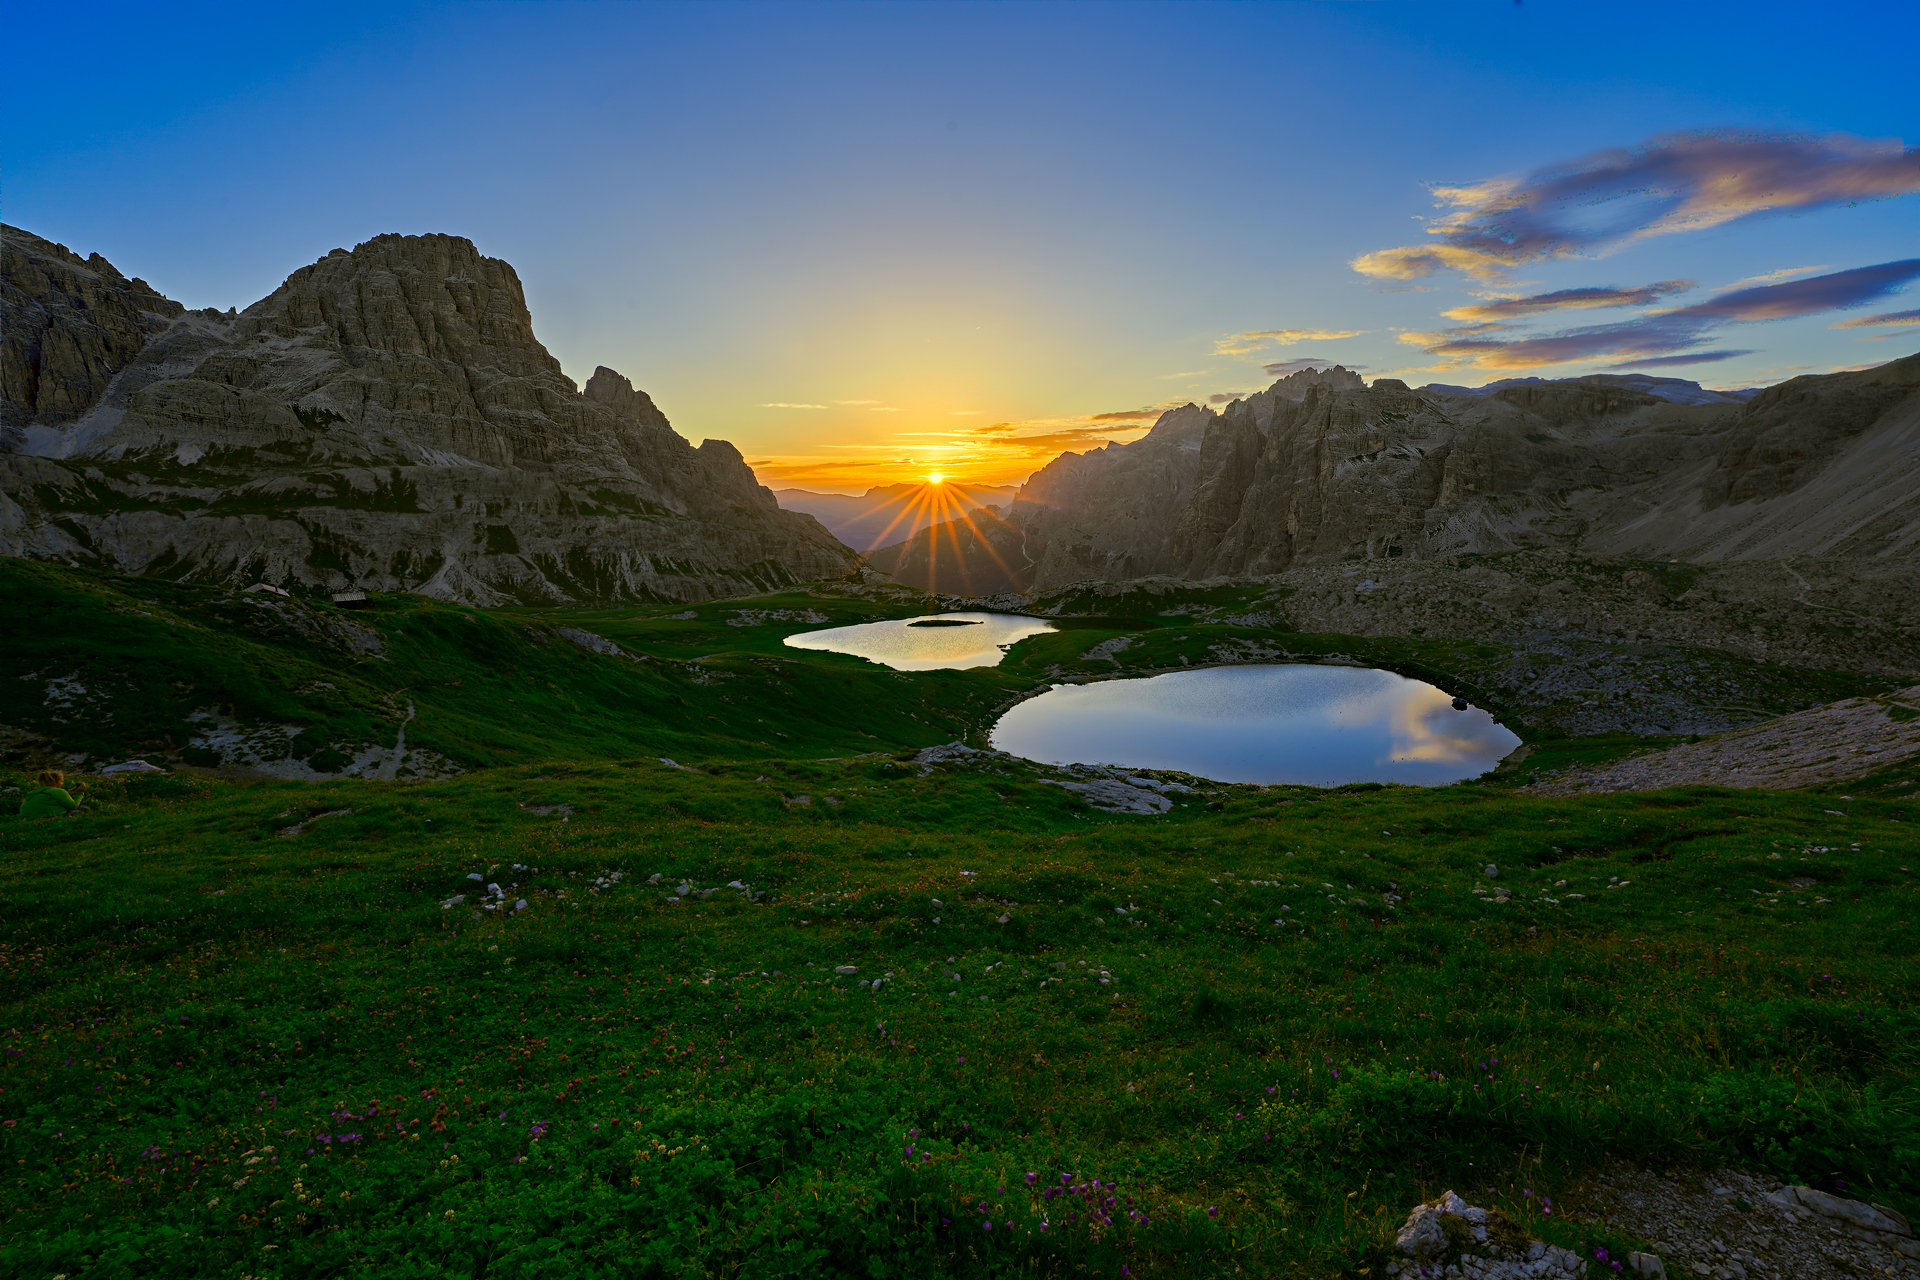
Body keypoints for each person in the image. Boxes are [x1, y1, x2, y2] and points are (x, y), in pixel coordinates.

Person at [19, 771, 88, 819]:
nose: (62, 784)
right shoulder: (58, 791)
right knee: (85, 809)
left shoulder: (35, 791)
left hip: (26, 819)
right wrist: (80, 792)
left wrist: (68, 793)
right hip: (48, 819)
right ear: (53, 781)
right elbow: (73, 806)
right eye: (61, 781)